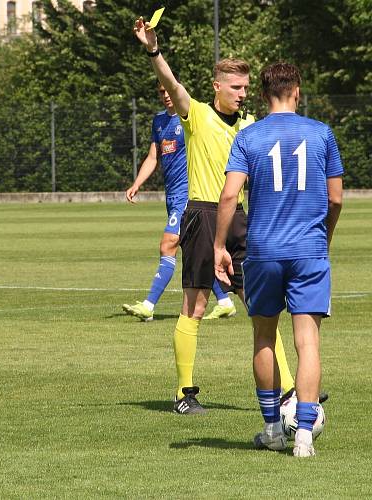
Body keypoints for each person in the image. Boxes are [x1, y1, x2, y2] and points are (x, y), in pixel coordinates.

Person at [132, 15, 297, 414]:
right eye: (235, 87)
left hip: (241, 220)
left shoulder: (252, 125)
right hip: (203, 215)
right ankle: (183, 394)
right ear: (217, 87)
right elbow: (171, 84)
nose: (242, 93)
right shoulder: (198, 114)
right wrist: (153, 48)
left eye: (245, 87)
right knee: (196, 305)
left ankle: (290, 389)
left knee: (262, 306)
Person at [214, 61, 342, 457]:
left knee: (264, 336)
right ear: (297, 91)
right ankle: (304, 435)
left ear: (263, 94)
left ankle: (272, 428)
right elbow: (336, 198)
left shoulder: (249, 136)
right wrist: (325, 236)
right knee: (308, 341)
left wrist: (219, 245)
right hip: (309, 250)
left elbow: (230, 195)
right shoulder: (322, 134)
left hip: (263, 252)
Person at [122, 78, 237, 322]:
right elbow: (153, 157)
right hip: (172, 196)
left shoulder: (191, 120)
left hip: (189, 194)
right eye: (161, 91)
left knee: (167, 245)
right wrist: (137, 183)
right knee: (192, 251)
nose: (165, 95)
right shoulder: (159, 121)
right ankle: (225, 301)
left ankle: (148, 305)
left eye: (168, 90)